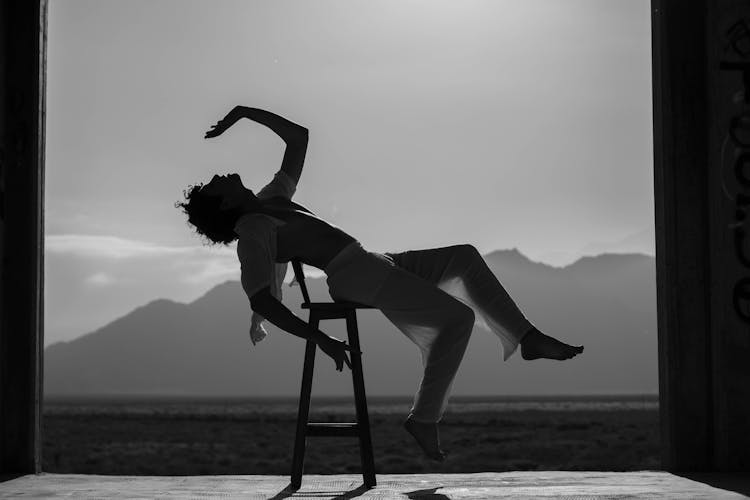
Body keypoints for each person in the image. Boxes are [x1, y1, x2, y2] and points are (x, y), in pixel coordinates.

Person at [177, 106, 584, 461]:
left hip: (370, 261)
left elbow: (299, 137)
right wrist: (319, 340)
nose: (219, 173)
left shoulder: (270, 199)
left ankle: (525, 337)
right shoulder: (252, 231)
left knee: (464, 257)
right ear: (227, 204)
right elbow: (263, 300)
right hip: (353, 275)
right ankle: (424, 419)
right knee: (457, 319)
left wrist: (245, 112)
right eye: (216, 184)